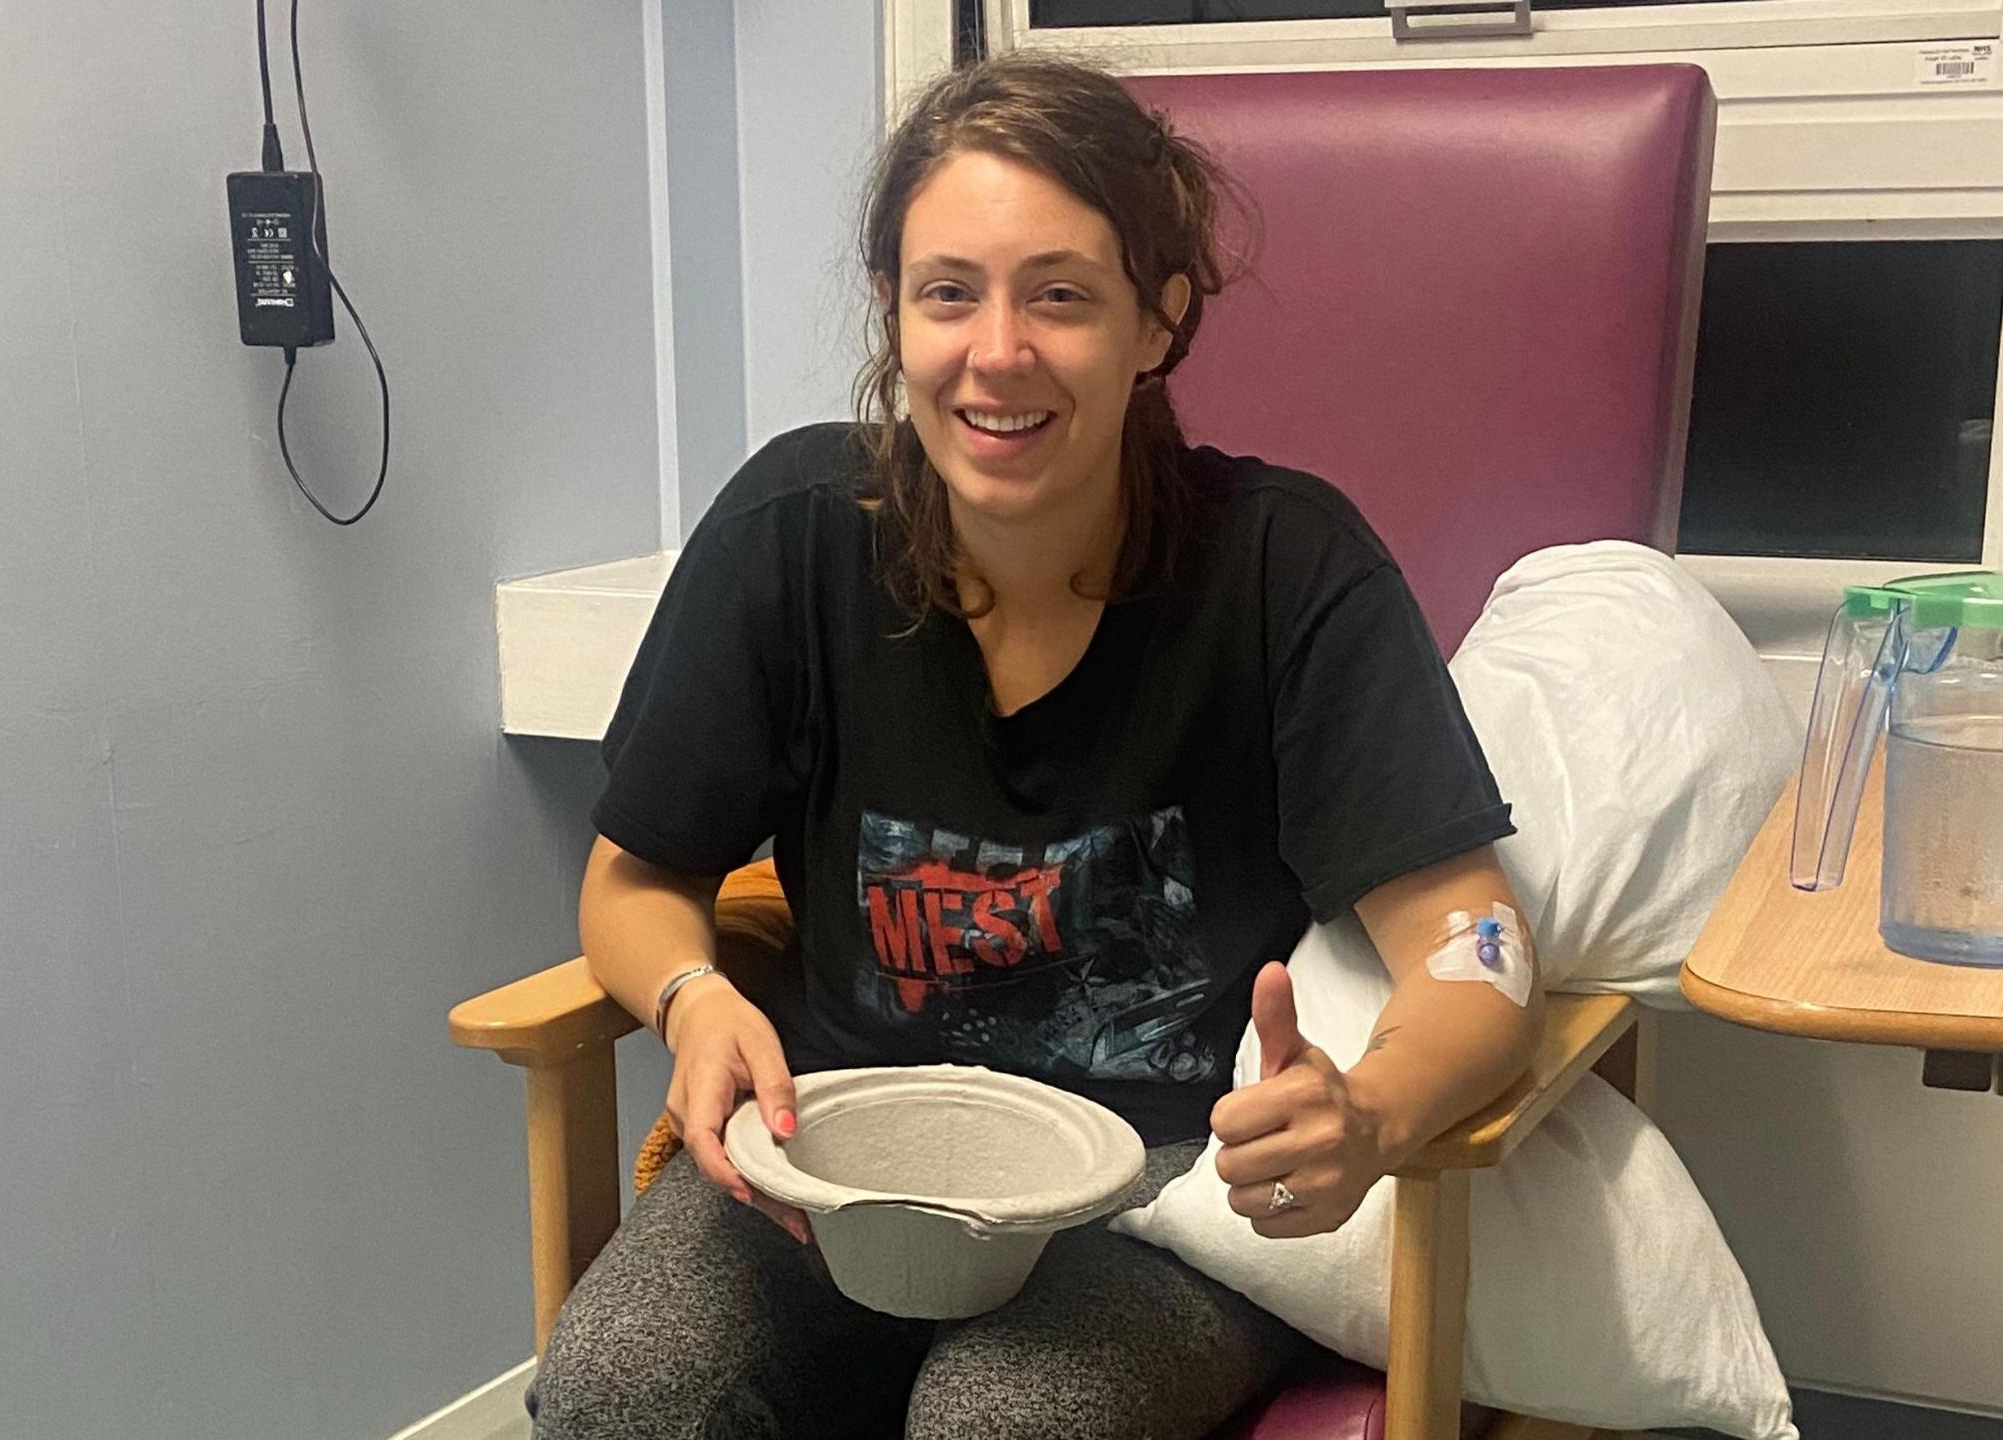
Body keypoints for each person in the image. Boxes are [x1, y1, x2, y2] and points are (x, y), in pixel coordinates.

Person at [529, 50, 1544, 1440]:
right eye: (949, 291)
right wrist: (696, 1002)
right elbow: (634, 883)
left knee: (1008, 1425)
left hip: (1159, 1206)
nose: (996, 352)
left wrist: (1368, 1113)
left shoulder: (1285, 572)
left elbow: (1476, 945)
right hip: (838, 1166)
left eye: (1060, 295)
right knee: (621, 1390)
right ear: (893, 309)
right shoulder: (792, 536)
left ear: (1157, 320)